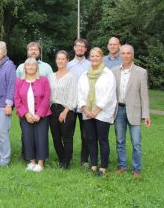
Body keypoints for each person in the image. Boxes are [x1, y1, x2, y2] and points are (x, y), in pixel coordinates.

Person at [112, 44, 151, 178]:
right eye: (123, 53)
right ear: (120, 55)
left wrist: (146, 115)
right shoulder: (114, 71)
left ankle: (136, 169)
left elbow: (144, 95)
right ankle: (122, 166)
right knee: (120, 141)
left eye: (128, 53)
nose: (126, 56)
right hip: (119, 111)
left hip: (135, 111)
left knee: (136, 142)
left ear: (132, 55)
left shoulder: (141, 72)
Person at [77, 47, 117, 175]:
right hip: (87, 112)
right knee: (91, 139)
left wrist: (97, 109)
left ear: (102, 57)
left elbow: (109, 95)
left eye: (97, 56)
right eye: (92, 56)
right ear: (89, 58)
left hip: (102, 113)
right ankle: (93, 164)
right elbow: (79, 93)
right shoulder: (84, 75)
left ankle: (103, 166)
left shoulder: (108, 74)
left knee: (103, 140)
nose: (94, 58)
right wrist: (85, 108)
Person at [15, 41, 52, 160]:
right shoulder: (19, 75)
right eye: (30, 49)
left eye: (35, 49)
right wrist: (25, 113)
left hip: (42, 113)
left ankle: (40, 161)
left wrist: (39, 114)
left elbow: (47, 96)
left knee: (41, 137)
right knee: (27, 137)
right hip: (26, 113)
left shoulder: (45, 74)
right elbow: (17, 97)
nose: (30, 67)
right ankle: (28, 158)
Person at [49, 50, 77, 169]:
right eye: (58, 59)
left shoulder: (71, 77)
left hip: (66, 109)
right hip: (52, 109)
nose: (60, 61)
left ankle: (66, 163)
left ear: (67, 61)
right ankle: (62, 159)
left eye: (63, 59)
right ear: (56, 60)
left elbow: (73, 95)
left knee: (67, 137)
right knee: (55, 137)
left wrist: (65, 112)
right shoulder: (51, 76)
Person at [67, 38, 91, 167]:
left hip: (85, 105)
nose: (80, 48)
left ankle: (84, 160)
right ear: (74, 48)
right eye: (78, 46)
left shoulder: (90, 65)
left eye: (83, 46)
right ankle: (68, 158)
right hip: (70, 104)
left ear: (86, 49)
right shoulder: (68, 65)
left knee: (85, 134)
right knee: (68, 134)